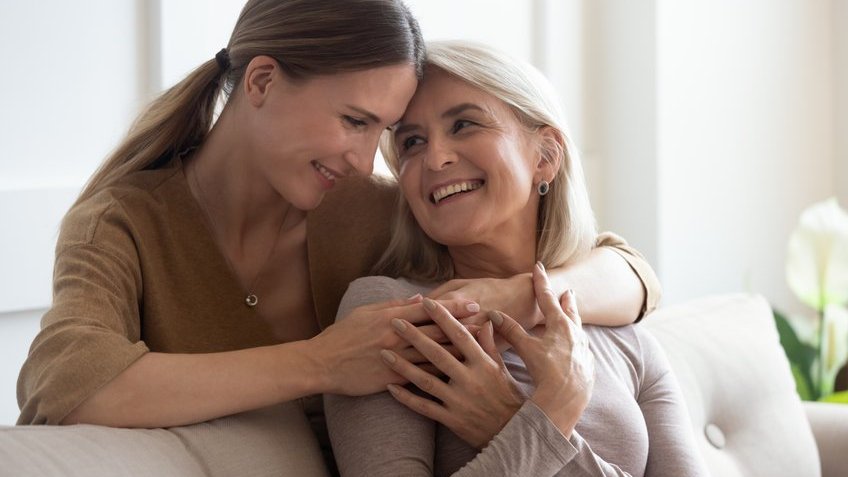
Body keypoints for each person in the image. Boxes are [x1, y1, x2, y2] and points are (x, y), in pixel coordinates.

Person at [16, 0, 658, 466]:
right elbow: (63, 385)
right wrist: (323, 361)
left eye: (381, 133)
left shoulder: (372, 208)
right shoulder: (121, 221)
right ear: (262, 81)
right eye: (353, 120)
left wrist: (518, 296)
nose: (364, 161)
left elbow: (630, 272)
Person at [324, 41, 707, 476]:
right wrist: (550, 413)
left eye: (464, 125)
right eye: (412, 141)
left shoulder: (626, 338)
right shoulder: (395, 313)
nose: (435, 157)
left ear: (544, 157)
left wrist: (513, 424)